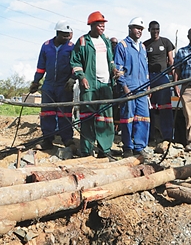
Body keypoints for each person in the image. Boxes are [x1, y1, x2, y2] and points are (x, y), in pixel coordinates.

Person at [70, 11, 116, 157]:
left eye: (103, 25)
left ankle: (105, 150)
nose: (102, 27)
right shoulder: (83, 41)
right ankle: (86, 150)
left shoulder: (106, 41)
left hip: (106, 85)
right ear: (92, 25)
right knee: (88, 118)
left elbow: (110, 60)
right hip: (89, 85)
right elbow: (75, 62)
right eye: (99, 25)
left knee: (106, 118)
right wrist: (82, 77)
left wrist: (114, 69)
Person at [30, 20, 75, 150]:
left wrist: (72, 79)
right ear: (57, 33)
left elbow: (75, 65)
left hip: (64, 86)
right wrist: (36, 81)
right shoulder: (46, 46)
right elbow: (40, 67)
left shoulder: (71, 47)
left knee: (65, 114)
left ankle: (67, 140)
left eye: (68, 34)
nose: (67, 37)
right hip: (49, 85)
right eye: (64, 35)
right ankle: (47, 140)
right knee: (47, 113)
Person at [115, 18, 151, 157]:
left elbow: (145, 68)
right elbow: (118, 70)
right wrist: (125, 88)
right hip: (129, 89)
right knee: (127, 118)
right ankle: (128, 147)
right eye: (136, 28)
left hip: (142, 88)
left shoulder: (142, 47)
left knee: (143, 118)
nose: (139, 31)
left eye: (141, 29)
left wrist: (147, 87)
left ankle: (139, 146)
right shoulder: (122, 46)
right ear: (130, 28)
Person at [144, 21, 176, 143]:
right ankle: (150, 136)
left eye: (157, 29)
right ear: (149, 30)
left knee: (165, 107)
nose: (155, 31)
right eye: (153, 29)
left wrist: (174, 81)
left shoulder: (166, 42)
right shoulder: (145, 44)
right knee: (149, 108)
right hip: (150, 78)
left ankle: (168, 137)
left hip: (163, 76)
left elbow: (171, 61)